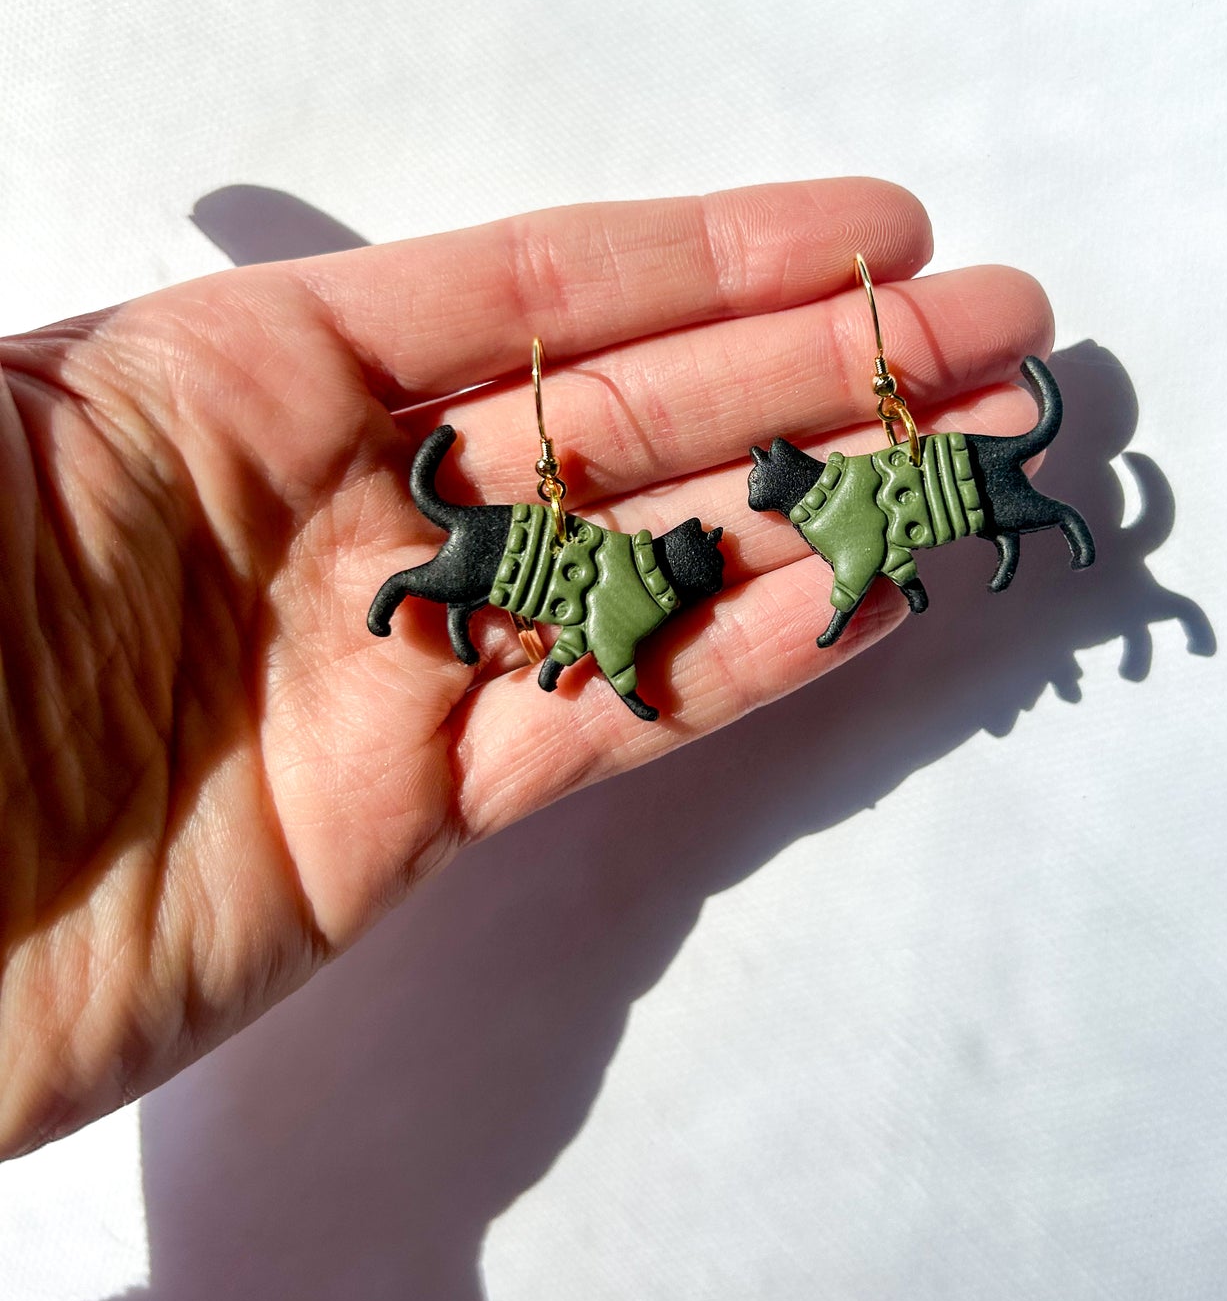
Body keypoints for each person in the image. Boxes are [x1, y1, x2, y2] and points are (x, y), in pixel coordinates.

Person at [0, 178, 1049, 1158]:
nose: (703, 565)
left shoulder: (658, 577)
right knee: (451, 581)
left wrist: (570, 669)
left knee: (490, 602)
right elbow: (618, 646)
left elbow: (613, 637)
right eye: (693, 562)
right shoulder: (641, 577)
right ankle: (395, 596)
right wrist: (597, 670)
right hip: (527, 551)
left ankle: (439, 610)